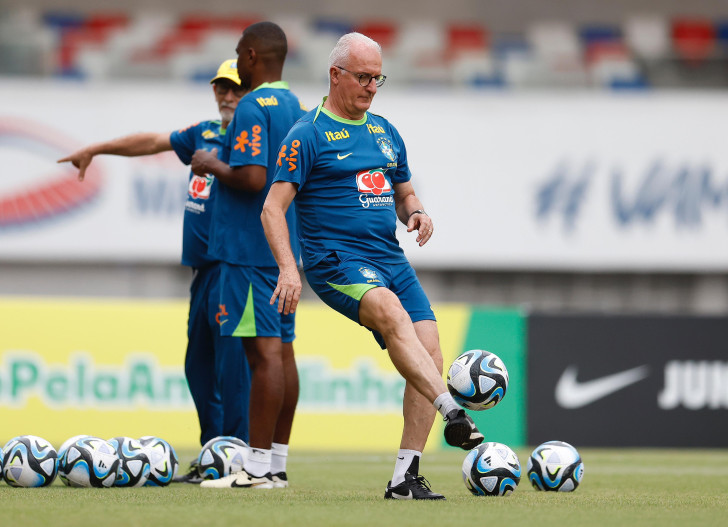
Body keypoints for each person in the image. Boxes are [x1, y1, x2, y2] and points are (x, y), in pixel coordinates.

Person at [261, 32, 484, 501]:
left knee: (429, 346)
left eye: (377, 78)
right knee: (389, 312)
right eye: (362, 77)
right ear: (335, 75)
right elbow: (272, 208)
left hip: (389, 257)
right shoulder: (308, 133)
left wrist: (417, 213)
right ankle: (452, 411)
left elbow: (404, 194)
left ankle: (405, 477)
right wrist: (287, 269)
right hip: (336, 261)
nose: (371, 87)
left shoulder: (384, 130)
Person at [55, 60, 297, 485]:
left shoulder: (255, 139)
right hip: (203, 269)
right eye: (220, 87)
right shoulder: (204, 132)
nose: (225, 95)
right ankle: (213, 454)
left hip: (235, 263)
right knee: (199, 367)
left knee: (236, 367)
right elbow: (152, 141)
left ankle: (239, 457)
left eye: (234, 87)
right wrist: (97, 148)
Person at [190, 22, 306, 490]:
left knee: (262, 358)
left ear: (254, 56)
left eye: (239, 53)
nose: (236, 62)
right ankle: (275, 463)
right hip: (283, 251)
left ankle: (256, 469)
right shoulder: (297, 106)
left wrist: (212, 163)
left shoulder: (253, 106)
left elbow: (253, 178)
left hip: (247, 251)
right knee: (283, 354)